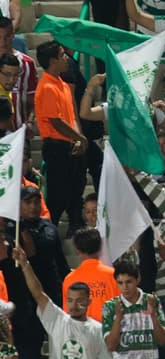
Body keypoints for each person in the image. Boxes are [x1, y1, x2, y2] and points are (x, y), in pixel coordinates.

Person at [14, 244, 112, 359]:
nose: (74, 305)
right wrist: (25, 265)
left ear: (89, 302)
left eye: (79, 300)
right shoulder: (57, 319)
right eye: (70, 300)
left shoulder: (98, 330)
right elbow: (38, 293)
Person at [34, 40, 89, 231]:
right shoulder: (47, 86)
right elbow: (56, 122)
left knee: (76, 189)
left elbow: (70, 116)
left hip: (70, 144)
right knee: (58, 194)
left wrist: (77, 137)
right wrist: (80, 138)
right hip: (56, 147)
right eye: (62, 55)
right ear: (52, 61)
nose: (66, 58)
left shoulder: (63, 85)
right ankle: (51, 229)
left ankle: (75, 225)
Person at [103, 258, 165, 359]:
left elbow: (162, 341)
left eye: (129, 282)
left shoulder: (152, 301)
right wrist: (118, 319)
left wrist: (153, 316)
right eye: (120, 283)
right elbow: (110, 346)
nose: (125, 287)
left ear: (138, 279)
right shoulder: (110, 306)